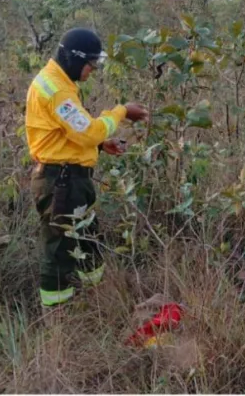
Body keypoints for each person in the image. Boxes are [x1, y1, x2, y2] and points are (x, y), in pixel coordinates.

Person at [25, 27, 149, 309]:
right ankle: (58, 315)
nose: (91, 71)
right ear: (73, 58)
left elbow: (66, 135)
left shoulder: (61, 83)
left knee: (87, 237)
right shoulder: (55, 89)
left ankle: (97, 299)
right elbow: (88, 132)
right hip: (60, 182)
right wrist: (120, 112)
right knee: (59, 249)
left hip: (70, 180)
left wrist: (99, 145)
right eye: (90, 65)